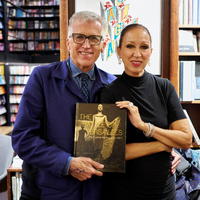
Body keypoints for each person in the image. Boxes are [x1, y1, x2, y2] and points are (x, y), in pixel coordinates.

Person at [11, 11, 116, 200]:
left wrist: (169, 152)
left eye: (94, 38)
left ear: (103, 44)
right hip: (52, 190)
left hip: (99, 190)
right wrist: (67, 163)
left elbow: (127, 135)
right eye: (79, 37)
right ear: (68, 42)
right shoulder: (42, 78)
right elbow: (22, 138)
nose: (86, 45)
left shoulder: (114, 84)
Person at [99, 23, 193, 200]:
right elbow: (112, 154)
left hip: (164, 192)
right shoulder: (109, 93)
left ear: (151, 51)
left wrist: (145, 126)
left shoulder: (164, 87)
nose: (137, 53)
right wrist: (164, 144)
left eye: (144, 47)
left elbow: (186, 139)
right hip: (123, 192)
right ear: (119, 51)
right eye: (130, 46)